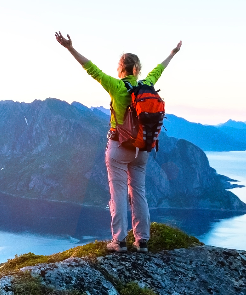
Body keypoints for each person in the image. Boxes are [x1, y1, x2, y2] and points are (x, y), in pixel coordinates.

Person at [55, 32, 181, 252]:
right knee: (139, 192)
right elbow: (159, 70)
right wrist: (172, 53)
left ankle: (119, 241)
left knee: (119, 193)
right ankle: (142, 240)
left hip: (119, 146)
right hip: (142, 148)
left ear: (120, 68)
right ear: (137, 69)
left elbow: (90, 68)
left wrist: (69, 48)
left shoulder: (115, 86)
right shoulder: (147, 84)